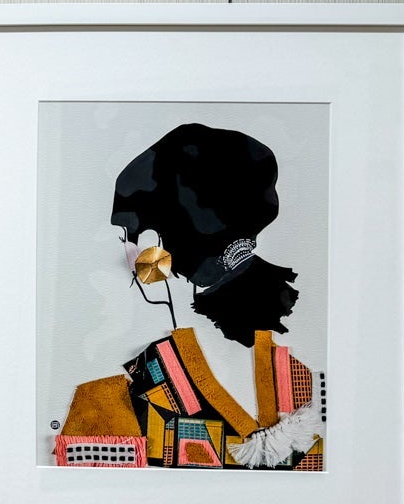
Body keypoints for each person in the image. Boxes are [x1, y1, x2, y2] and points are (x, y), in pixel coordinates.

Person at [55, 123, 325, 470]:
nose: (125, 252)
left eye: (126, 237)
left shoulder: (108, 402)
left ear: (153, 251)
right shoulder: (308, 382)